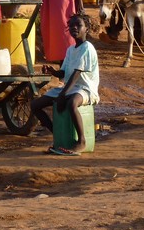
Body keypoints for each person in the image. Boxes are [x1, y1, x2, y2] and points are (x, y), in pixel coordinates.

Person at [31, 14, 100, 156]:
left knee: (72, 103)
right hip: (70, 88)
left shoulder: (87, 47)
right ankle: (58, 135)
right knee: (35, 105)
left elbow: (77, 74)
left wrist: (62, 95)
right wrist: (54, 72)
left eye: (78, 25)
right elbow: (65, 73)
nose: (74, 27)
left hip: (85, 89)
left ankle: (81, 141)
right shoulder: (71, 49)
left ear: (86, 29)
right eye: (71, 25)